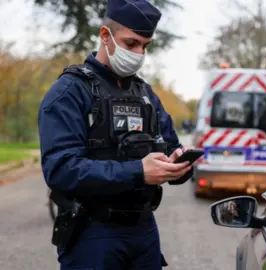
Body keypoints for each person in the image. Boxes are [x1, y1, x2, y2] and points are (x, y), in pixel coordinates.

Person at [38, 0, 194, 269]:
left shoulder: (146, 96)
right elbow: (60, 169)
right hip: (92, 233)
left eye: (145, 46)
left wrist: (181, 165)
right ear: (104, 36)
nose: (138, 53)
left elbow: (171, 146)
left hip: (144, 231)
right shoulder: (70, 92)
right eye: (131, 44)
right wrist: (138, 172)